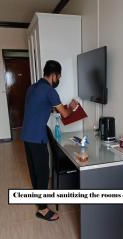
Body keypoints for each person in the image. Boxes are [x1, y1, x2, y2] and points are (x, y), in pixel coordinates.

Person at [21, 60, 77, 221]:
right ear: (54, 75)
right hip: (37, 137)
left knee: (34, 170)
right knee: (43, 172)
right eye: (58, 76)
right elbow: (65, 114)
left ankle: (39, 199)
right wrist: (71, 108)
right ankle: (43, 209)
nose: (58, 79)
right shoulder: (50, 90)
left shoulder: (33, 87)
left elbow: (43, 106)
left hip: (26, 135)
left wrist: (62, 107)